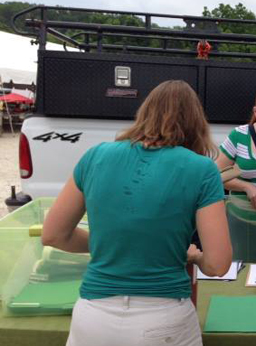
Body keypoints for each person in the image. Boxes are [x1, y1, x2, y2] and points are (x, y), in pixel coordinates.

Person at [42, 80, 232, 346]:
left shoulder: (95, 155)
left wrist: (107, 244)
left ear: (144, 112)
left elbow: (53, 235)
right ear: (196, 123)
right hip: (164, 318)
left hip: (93, 316)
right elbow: (218, 264)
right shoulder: (202, 169)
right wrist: (195, 256)